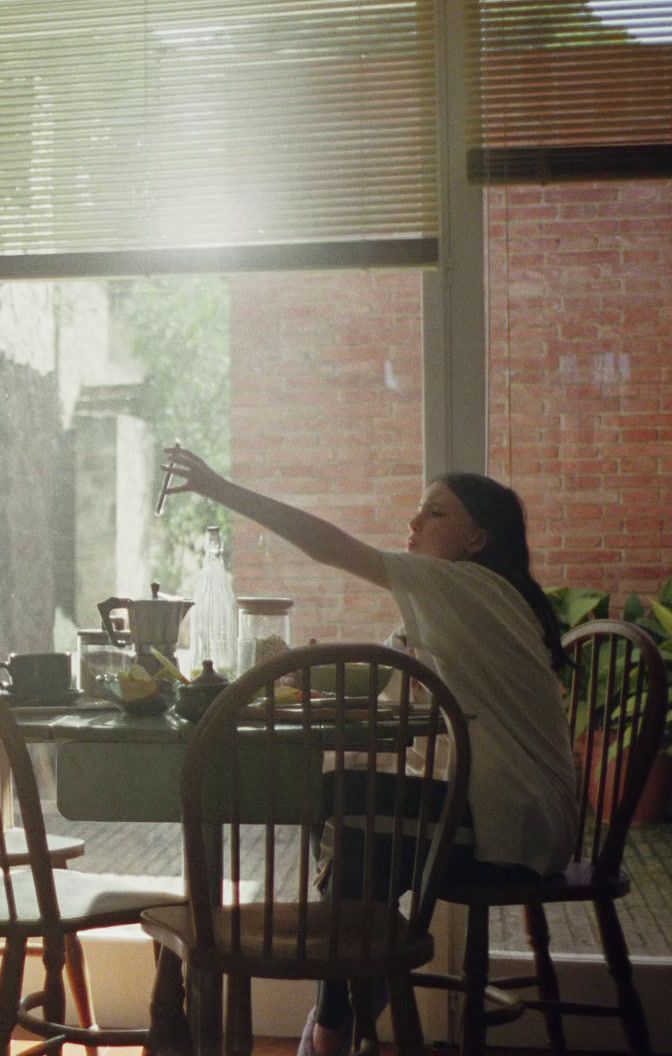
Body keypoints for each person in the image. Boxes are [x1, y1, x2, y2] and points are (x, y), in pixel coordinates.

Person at [159, 446, 578, 1056]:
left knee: (353, 807)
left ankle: (331, 1025)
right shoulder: (456, 602)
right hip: (503, 815)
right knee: (357, 818)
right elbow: (382, 687)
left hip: (513, 828)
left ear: (477, 538)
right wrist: (295, 671)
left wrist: (226, 491)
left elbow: (326, 547)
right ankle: (341, 1019)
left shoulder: (466, 586)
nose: (413, 525)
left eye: (433, 514)